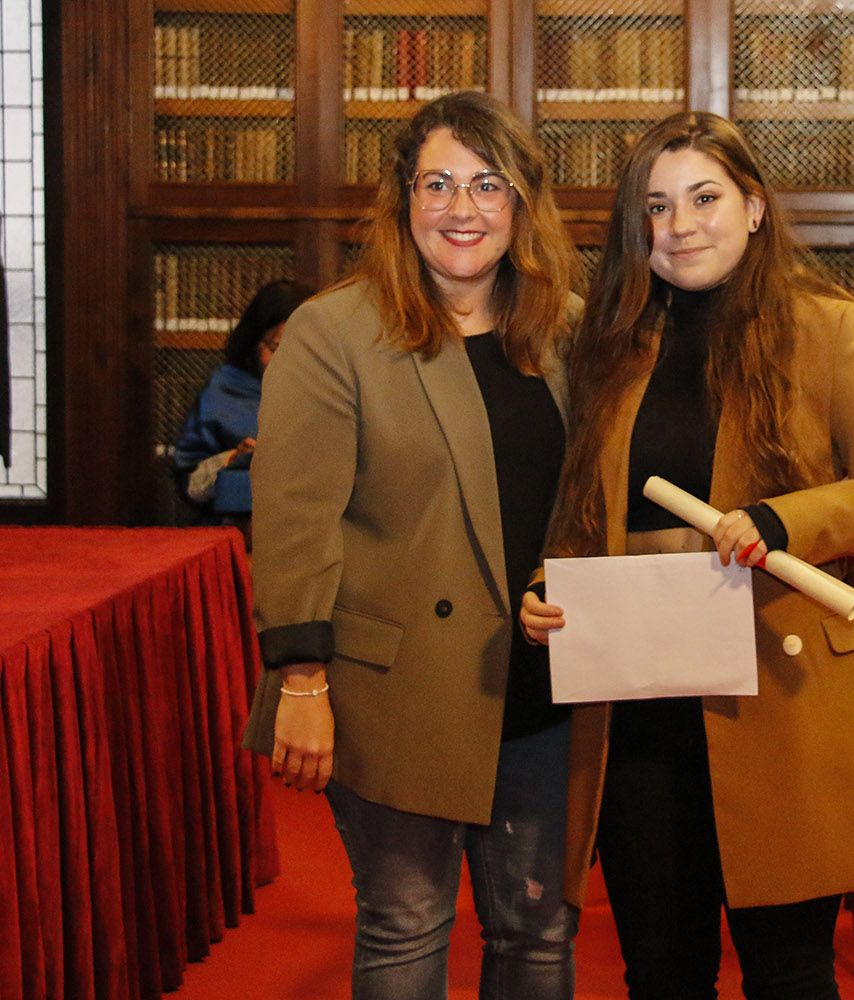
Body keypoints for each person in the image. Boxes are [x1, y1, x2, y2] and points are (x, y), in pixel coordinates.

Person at [521, 110, 854, 999]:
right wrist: (540, 590)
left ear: (754, 207)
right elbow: (578, 515)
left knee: (788, 976)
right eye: (656, 206)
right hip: (637, 706)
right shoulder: (609, 348)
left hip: (778, 698)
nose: (679, 225)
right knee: (661, 976)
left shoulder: (826, 330)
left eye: (704, 198)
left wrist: (786, 522)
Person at [241, 91, 581, 1000]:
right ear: (402, 200)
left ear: (521, 204)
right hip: (394, 690)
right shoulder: (335, 331)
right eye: (438, 183)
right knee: (405, 927)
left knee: (540, 932)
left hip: (543, 686)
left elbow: (589, 500)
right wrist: (301, 682)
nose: (462, 209)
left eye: (487, 185)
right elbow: (292, 521)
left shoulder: (566, 331)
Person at [172, 278, 314, 514]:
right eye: (277, 348)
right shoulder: (225, 391)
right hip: (239, 532)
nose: (289, 363)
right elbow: (188, 483)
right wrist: (233, 459)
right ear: (254, 342)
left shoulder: (333, 390)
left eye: (303, 349)